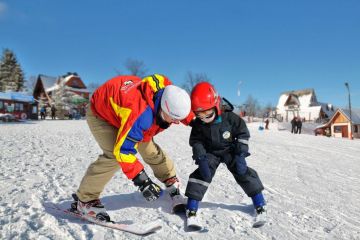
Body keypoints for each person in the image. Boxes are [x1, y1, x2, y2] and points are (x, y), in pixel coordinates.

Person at [71, 74, 194, 221]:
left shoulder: (169, 92)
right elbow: (123, 151)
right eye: (174, 118)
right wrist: (143, 182)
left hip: (126, 109)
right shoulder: (141, 117)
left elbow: (181, 110)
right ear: (163, 108)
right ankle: (85, 200)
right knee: (114, 156)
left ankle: (170, 180)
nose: (176, 122)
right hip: (102, 114)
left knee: (150, 150)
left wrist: (199, 124)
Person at [184, 82, 267, 228]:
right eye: (199, 115)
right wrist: (201, 156)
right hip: (211, 152)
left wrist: (241, 153)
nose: (204, 118)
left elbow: (242, 133)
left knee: (242, 171)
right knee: (203, 174)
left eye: (208, 114)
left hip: (230, 150)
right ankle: (191, 209)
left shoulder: (230, 118)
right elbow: (196, 141)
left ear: (216, 105)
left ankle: (259, 204)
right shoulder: (199, 124)